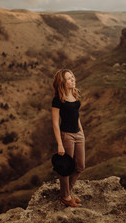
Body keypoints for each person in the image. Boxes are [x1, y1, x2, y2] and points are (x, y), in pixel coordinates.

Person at [52, 69, 85, 207]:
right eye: (69, 78)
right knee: (66, 167)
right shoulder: (58, 100)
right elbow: (55, 123)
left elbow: (76, 116)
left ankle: (67, 192)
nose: (73, 79)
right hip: (67, 136)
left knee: (80, 166)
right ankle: (65, 196)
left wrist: (81, 132)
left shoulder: (75, 94)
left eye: (73, 76)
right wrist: (59, 143)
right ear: (62, 82)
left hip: (78, 134)